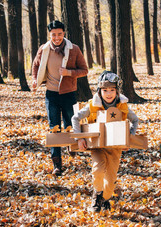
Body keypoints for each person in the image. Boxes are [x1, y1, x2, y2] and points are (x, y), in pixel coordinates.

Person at [71, 71, 139, 212]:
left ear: (117, 91)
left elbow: (135, 120)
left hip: (115, 147)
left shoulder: (122, 105)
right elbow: (75, 118)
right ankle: (97, 196)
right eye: (105, 90)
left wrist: (129, 138)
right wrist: (79, 137)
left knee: (111, 179)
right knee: (98, 171)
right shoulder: (92, 105)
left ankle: (106, 198)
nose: (109, 94)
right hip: (98, 146)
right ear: (99, 91)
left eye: (112, 90)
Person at [32, 20, 88, 176]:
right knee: (54, 127)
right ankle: (57, 164)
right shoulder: (43, 49)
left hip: (69, 93)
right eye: (54, 34)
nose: (56, 38)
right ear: (50, 34)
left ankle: (72, 146)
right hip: (51, 94)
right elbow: (35, 65)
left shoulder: (74, 49)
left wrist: (69, 72)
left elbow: (84, 70)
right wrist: (35, 79)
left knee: (71, 123)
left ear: (64, 33)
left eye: (60, 34)